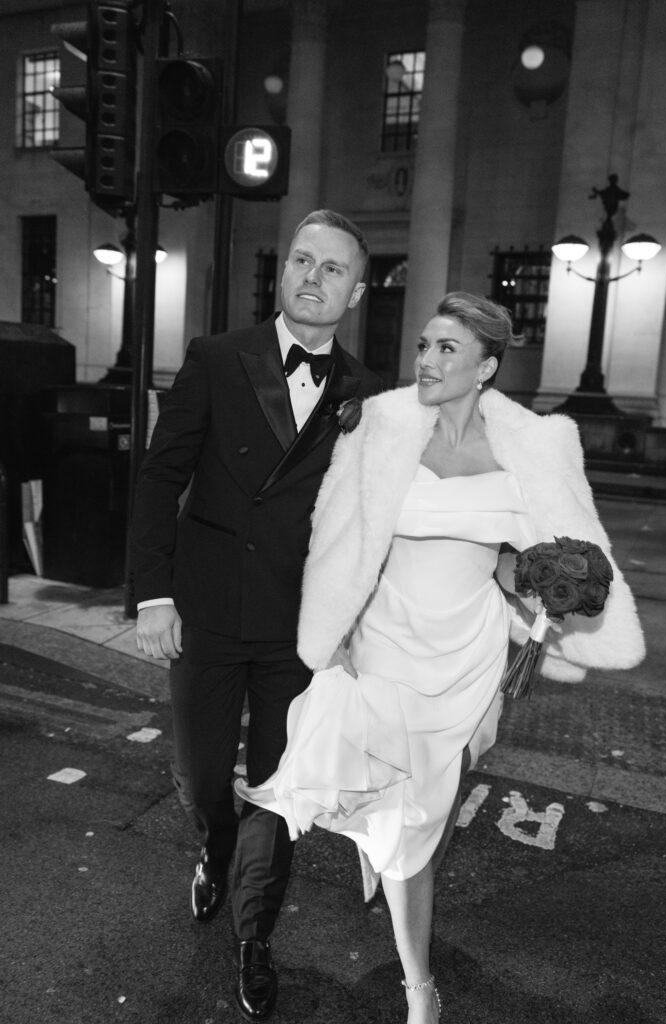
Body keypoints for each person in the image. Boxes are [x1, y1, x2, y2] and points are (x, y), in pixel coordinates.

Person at [236, 292, 645, 1024]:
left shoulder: (522, 451)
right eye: (423, 345)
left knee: (418, 818)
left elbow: (501, 563)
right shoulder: (383, 431)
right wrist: (338, 636)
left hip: (467, 656)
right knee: (409, 823)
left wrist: (552, 585)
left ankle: (411, 960)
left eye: (446, 349)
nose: (425, 360)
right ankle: (419, 985)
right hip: (384, 648)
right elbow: (342, 544)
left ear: (485, 366)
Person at [129, 209, 382, 1022]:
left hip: (294, 629)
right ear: (283, 272)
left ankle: (254, 935)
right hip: (202, 612)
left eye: (332, 268)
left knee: (278, 790)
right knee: (207, 779)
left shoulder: (364, 393)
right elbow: (160, 478)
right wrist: (153, 592)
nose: (313, 278)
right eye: (302, 261)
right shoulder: (215, 358)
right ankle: (213, 844)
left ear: (356, 289)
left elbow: (369, 523)